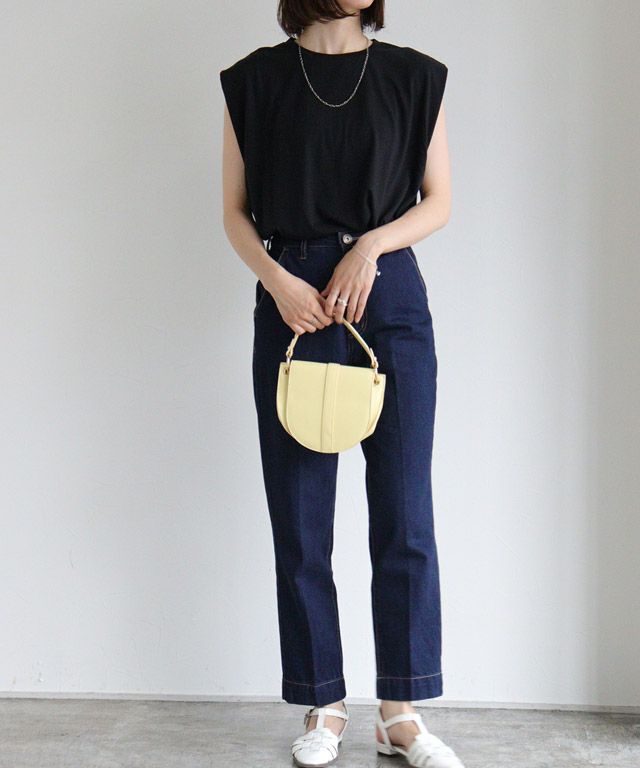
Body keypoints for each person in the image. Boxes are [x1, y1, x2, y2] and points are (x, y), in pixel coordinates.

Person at [220, 2, 464, 766]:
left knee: (404, 511)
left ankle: (401, 711)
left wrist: (370, 248)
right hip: (292, 303)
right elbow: (233, 213)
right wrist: (278, 280)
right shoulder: (254, 81)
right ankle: (323, 704)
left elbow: (439, 200)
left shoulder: (413, 77)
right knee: (300, 520)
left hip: (387, 301)